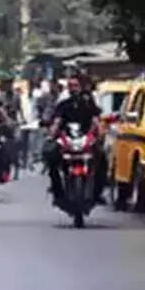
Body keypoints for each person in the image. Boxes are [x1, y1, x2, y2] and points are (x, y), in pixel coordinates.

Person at [44, 75, 106, 203]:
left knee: (102, 161)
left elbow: (96, 120)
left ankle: (97, 193)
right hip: (67, 140)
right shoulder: (63, 105)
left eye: (75, 85)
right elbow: (57, 121)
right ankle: (57, 190)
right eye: (70, 86)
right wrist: (51, 133)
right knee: (51, 158)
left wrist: (100, 134)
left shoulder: (89, 104)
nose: (73, 89)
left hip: (85, 139)